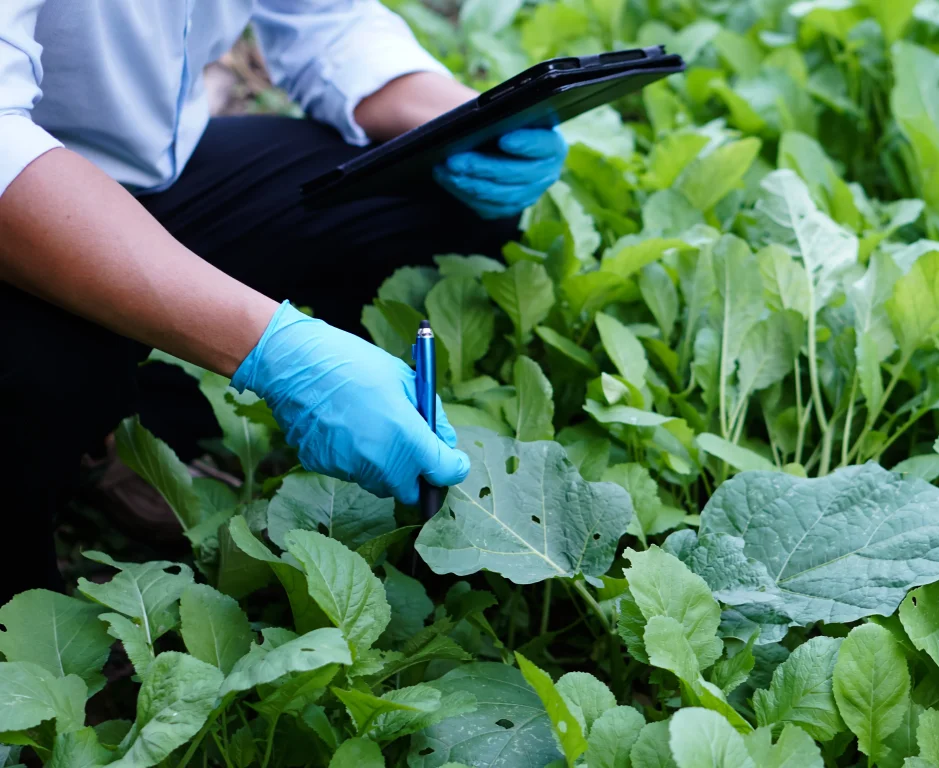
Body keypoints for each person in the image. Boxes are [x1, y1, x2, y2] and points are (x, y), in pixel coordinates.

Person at [0, 1, 568, 603]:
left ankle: (118, 433)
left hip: (140, 172)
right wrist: (278, 350)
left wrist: (460, 121)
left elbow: (325, 18)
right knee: (41, 366)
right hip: (23, 190)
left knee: (437, 203)